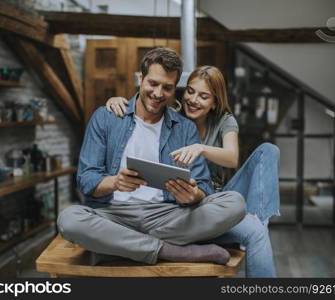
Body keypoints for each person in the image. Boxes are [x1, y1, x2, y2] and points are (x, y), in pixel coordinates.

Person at [57, 48, 246, 267]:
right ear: (140, 78)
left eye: (167, 87)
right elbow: (86, 179)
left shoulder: (184, 128)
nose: (158, 93)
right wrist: (115, 182)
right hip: (113, 215)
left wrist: (192, 195)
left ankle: (119, 247)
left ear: (175, 89)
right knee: (69, 220)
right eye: (153, 83)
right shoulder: (106, 117)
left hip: (167, 216)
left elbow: (203, 185)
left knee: (235, 203)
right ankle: (170, 251)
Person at [106, 65, 280, 277]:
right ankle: (252, 226)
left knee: (268, 151)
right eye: (190, 91)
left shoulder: (224, 121)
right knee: (255, 233)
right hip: (189, 202)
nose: (193, 100)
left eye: (204, 96)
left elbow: (232, 158)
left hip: (221, 195)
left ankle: (259, 220)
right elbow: (146, 106)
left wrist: (201, 148)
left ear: (215, 102)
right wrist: (115, 100)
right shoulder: (173, 117)